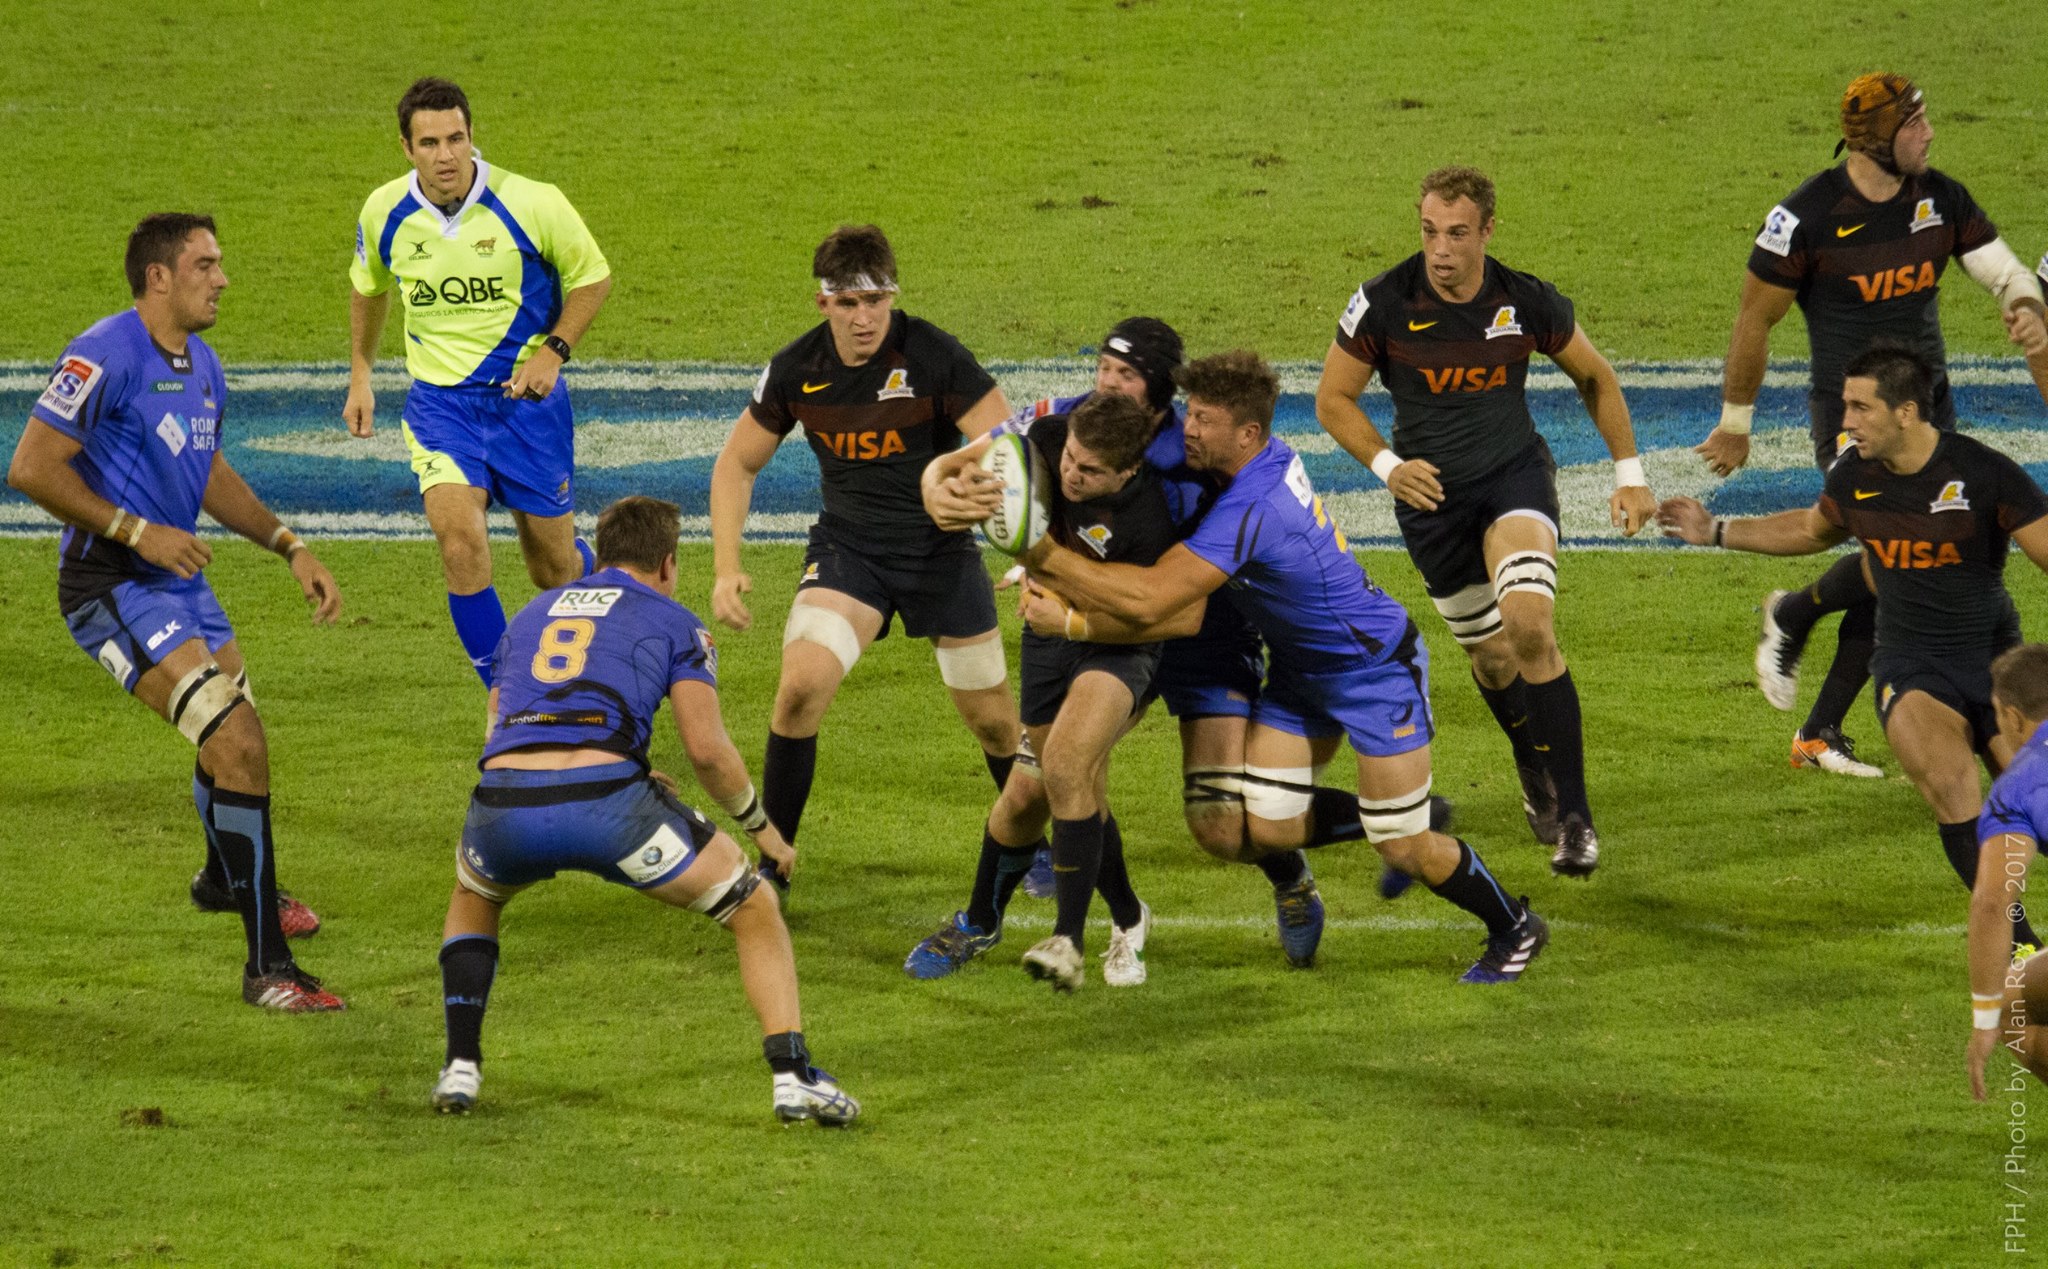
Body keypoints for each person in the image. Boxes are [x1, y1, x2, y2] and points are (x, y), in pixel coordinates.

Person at [1017, 351, 1551, 984]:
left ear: (1247, 434)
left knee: (1403, 846)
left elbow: (1155, 600)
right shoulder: (1256, 465)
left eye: (1205, 420)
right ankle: (1399, 814)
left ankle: (1514, 925)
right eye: (1191, 413)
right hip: (1302, 671)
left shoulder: (1256, 505)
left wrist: (1041, 554)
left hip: (1374, 668)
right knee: (1270, 827)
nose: (1189, 429)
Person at [919, 320, 1370, 969]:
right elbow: (958, 466)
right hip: (1098, 622)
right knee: (1036, 787)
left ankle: (1317, 860)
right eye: (1104, 366)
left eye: (1125, 374)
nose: (1106, 383)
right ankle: (1006, 922)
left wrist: (1050, 575)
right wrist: (941, 493)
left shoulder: (1201, 456)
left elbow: (1178, 605)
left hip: (1202, 630)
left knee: (1219, 822)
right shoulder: (1073, 420)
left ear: (1159, 391)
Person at [430, 496, 858, 1125]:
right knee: (753, 906)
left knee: (475, 896)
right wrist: (763, 830)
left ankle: (460, 1066)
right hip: (610, 808)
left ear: (600, 555)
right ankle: (793, 1078)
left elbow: (499, 727)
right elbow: (707, 753)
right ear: (667, 563)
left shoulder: (526, 616)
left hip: (506, 804)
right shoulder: (677, 622)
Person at [7, 213, 345, 1011]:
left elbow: (208, 468)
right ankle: (267, 968)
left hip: (174, 579)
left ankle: (222, 877)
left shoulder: (203, 363)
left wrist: (289, 545)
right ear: (158, 276)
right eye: (205, 265)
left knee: (233, 737)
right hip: (111, 582)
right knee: (238, 739)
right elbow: (30, 466)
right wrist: (136, 531)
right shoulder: (104, 354)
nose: (222, 279)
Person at [1692, 73, 2047, 779]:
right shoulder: (1806, 218)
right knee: (1899, 558)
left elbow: (2005, 272)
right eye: (1915, 124)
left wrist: (2027, 307)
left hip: (1928, 414)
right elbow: (1754, 318)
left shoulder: (1940, 199)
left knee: (1907, 566)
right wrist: (1735, 422)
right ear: (1877, 138)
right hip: (1854, 419)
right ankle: (1808, 648)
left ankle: (1810, 676)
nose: (1930, 134)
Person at [1314, 165, 1655, 878]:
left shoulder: (1524, 301)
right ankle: (1534, 765)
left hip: (1512, 478)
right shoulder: (1383, 302)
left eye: (1457, 234)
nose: (1441, 250)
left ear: (1488, 231)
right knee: (1494, 659)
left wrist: (1629, 474)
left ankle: (1577, 819)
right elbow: (1333, 399)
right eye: (1429, 232)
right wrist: (1388, 466)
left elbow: (1595, 375)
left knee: (1529, 625)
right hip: (1431, 503)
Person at [1659, 345, 2043, 956]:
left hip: (1995, 665)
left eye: (1862, 408)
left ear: (1906, 412)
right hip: (1910, 667)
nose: (1847, 421)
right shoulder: (1854, 477)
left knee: (2037, 809)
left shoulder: (1983, 473)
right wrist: (1717, 531)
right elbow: (1813, 529)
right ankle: (2024, 949)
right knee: (1954, 790)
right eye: (1846, 406)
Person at [709, 225, 1018, 870]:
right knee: (799, 690)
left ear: (893, 295)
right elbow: (737, 463)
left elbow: (1008, 444)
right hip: (851, 554)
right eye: (847, 303)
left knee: (994, 723)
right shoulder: (796, 369)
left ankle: (1029, 844)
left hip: (940, 554)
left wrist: (973, 495)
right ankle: (774, 861)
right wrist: (726, 567)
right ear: (822, 302)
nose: (863, 318)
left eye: (875, 300)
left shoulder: (933, 355)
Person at [906, 393, 1189, 989]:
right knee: (1032, 795)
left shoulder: (1150, 519)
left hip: (1119, 644)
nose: (1071, 474)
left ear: (1127, 471)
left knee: (1061, 766)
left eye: (1090, 470)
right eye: (1071, 459)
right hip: (1045, 639)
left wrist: (1073, 620)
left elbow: (1165, 618)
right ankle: (1126, 915)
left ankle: (1065, 939)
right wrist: (957, 493)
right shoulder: (1047, 440)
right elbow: (962, 469)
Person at [343, 76, 613, 687]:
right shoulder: (384, 211)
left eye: (456, 139)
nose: (446, 155)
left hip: (526, 406)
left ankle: (618, 593)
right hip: (442, 408)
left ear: (472, 136)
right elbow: (368, 286)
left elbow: (592, 278)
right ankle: (506, 697)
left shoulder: (532, 201)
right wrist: (361, 373)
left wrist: (554, 352)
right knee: (460, 546)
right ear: (406, 148)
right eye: (430, 143)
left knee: (553, 570)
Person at [1967, 644, 2048, 1099]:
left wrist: (1984, 1017)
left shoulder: (2019, 782)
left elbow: (1993, 901)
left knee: (2011, 1007)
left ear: (2014, 717)